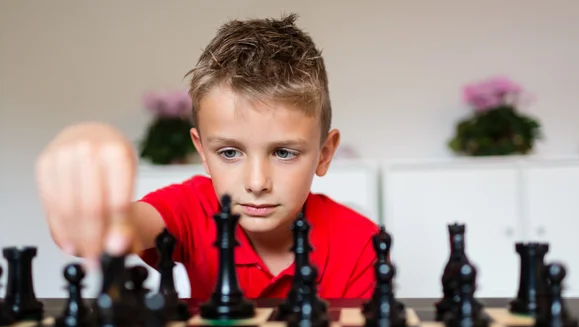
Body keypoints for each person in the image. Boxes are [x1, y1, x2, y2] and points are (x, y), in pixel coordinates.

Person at [35, 13, 380, 300]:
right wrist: (86, 158)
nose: (256, 183)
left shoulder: (361, 242)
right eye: (229, 152)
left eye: (284, 152)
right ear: (202, 150)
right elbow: (97, 236)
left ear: (324, 154)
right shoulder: (190, 209)